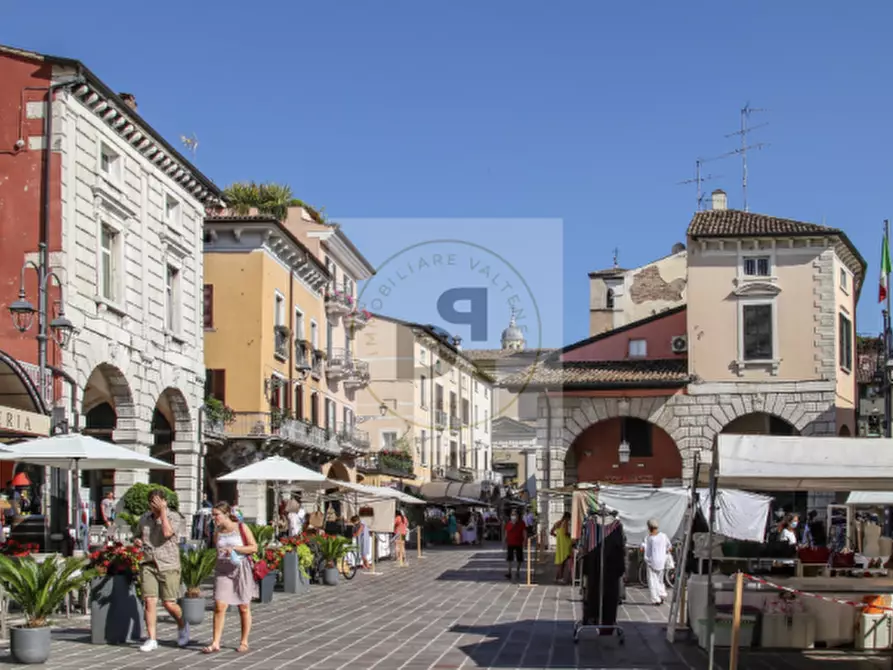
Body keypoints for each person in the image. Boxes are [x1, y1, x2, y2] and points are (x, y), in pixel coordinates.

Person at [135, 489, 189, 652]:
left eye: (158, 501)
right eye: (152, 502)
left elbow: (167, 533)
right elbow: (137, 535)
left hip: (168, 564)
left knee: (169, 603)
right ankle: (152, 639)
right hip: (148, 562)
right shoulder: (144, 518)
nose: (154, 505)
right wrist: (137, 541)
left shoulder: (175, 517)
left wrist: (163, 513)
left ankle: (182, 625)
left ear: (165, 501)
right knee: (149, 601)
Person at [203, 502, 258, 654]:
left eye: (216, 515)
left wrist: (234, 549)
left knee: (243, 607)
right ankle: (215, 642)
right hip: (223, 569)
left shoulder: (241, 528)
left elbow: (254, 547)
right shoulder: (217, 531)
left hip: (241, 569)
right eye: (213, 515)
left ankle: (244, 641)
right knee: (219, 605)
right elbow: (217, 548)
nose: (214, 518)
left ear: (226, 514)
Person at [642, 518, 672, 606]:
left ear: (649, 527)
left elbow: (643, 548)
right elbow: (669, 547)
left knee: (652, 580)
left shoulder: (649, 538)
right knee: (660, 580)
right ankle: (662, 594)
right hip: (661, 561)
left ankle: (656, 599)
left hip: (651, 561)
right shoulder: (663, 536)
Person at [504, 510, 527, 581]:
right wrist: (504, 542)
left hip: (519, 543)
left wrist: (525, 542)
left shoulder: (522, 523)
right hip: (510, 543)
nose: (513, 516)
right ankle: (509, 572)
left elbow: (524, 533)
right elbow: (506, 533)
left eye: (515, 515)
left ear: (518, 516)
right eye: (512, 515)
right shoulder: (508, 523)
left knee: (519, 558)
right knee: (509, 558)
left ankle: (517, 571)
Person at [551, 512, 573, 584]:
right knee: (566, 562)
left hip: (560, 544)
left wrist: (558, 537)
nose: (569, 520)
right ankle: (563, 578)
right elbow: (566, 533)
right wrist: (572, 536)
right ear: (567, 517)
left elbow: (551, 532)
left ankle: (557, 578)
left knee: (561, 562)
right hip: (566, 544)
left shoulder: (557, 523)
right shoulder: (565, 522)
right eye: (569, 518)